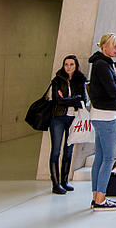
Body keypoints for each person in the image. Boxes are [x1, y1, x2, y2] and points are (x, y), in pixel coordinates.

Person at [88, 33, 116, 211]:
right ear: (104, 46)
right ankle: (101, 199)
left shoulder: (102, 63)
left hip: (99, 115)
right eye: (114, 46)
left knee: (100, 158)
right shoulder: (102, 64)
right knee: (109, 158)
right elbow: (112, 90)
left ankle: (97, 195)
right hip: (106, 116)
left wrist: (115, 74)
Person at [49, 55, 87, 194]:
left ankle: (64, 181)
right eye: (66, 64)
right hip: (58, 118)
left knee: (68, 151)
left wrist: (68, 99)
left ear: (76, 66)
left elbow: (83, 100)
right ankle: (55, 183)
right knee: (56, 151)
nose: (68, 67)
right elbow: (57, 100)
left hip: (73, 118)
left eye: (71, 64)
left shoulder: (80, 80)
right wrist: (73, 99)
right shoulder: (57, 80)